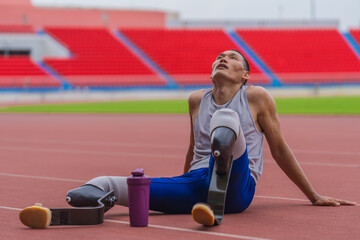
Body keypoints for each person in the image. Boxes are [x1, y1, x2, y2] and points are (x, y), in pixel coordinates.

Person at [19, 50, 356, 229]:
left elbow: (280, 149)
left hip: (238, 189)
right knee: (100, 183)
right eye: (219, 57)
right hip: (196, 184)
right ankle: (86, 213)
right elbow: (192, 149)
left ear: (245, 75)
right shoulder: (196, 100)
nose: (223, 58)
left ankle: (216, 204)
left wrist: (313, 196)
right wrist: (181, 180)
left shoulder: (256, 97)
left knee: (227, 121)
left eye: (233, 57)